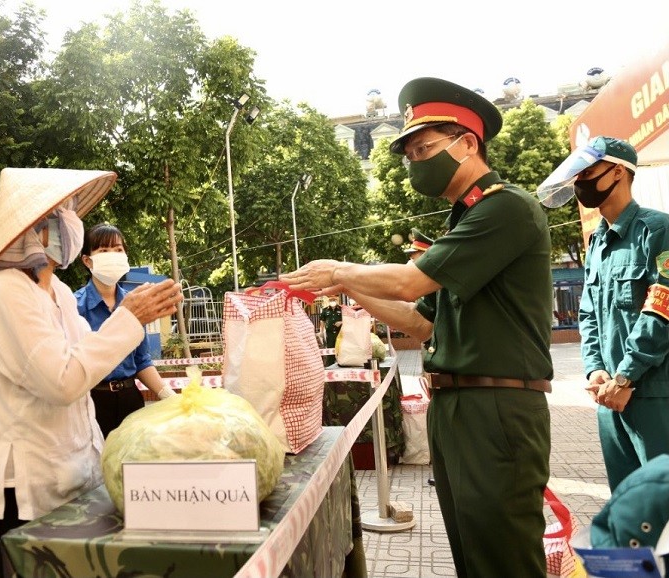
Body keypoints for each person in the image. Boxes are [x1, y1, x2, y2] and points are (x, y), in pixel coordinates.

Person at [281, 77, 554, 578]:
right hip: (457, 406)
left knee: (504, 557)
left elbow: (411, 283)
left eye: (424, 148)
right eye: (410, 154)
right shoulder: (464, 221)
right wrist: (350, 290)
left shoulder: (505, 208)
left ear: (467, 142)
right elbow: (420, 325)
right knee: (474, 552)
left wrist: (340, 270)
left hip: (497, 408)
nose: (416, 163)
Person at [0, 167, 182, 578]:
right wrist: (128, 318)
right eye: (64, 213)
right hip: (13, 492)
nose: (75, 223)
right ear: (38, 231)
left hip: (63, 481)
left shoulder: (60, 294)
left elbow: (89, 358)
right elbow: (63, 380)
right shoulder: (3, 293)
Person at [538, 136, 669, 492]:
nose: (580, 181)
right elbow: (589, 313)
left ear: (618, 172)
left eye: (588, 172)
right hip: (608, 397)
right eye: (576, 175)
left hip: (653, 394)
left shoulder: (658, 230)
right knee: (628, 507)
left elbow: (661, 313)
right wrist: (596, 369)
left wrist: (625, 376)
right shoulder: (598, 240)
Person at [75, 223, 176, 438]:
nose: (112, 255)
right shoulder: (75, 306)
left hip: (130, 398)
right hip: (92, 401)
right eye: (103, 250)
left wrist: (167, 395)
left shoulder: (137, 303)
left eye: (118, 249)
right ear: (87, 260)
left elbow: (141, 360)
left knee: (133, 464)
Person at [318, 295, 342, 366]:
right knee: (330, 348)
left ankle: (340, 363)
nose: (332, 301)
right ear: (329, 301)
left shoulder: (341, 309)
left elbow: (346, 319)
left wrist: (341, 322)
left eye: (334, 300)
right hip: (330, 333)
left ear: (337, 300)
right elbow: (322, 321)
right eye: (331, 300)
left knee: (340, 348)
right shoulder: (325, 310)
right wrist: (321, 331)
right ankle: (330, 364)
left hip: (340, 333)